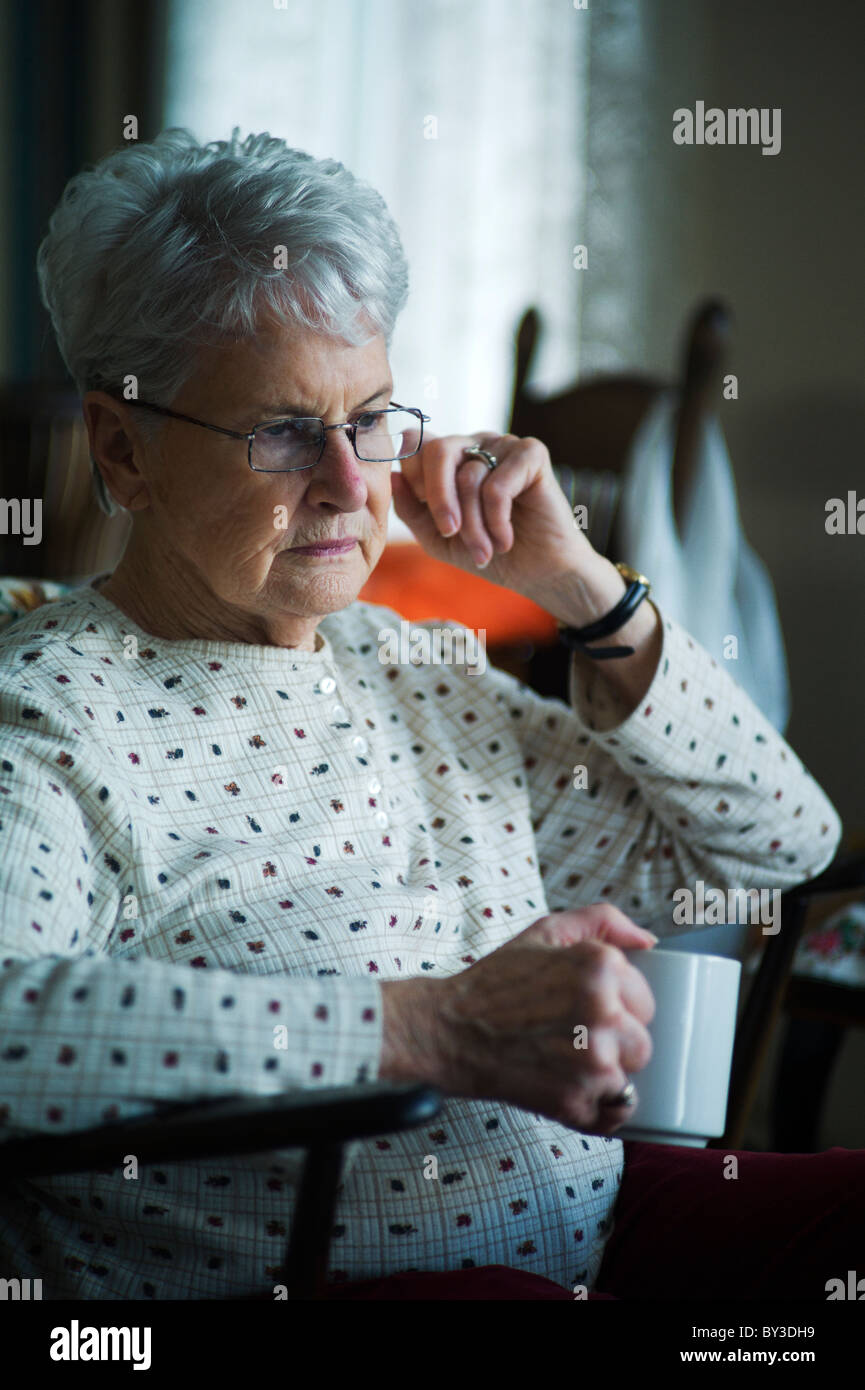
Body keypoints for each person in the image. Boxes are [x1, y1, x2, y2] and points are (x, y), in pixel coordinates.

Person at [0, 128, 850, 1301]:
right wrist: (430, 1028)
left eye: (371, 420)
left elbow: (776, 847)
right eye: (284, 431)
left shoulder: (411, 668)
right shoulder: (48, 712)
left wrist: (580, 588)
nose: (353, 486)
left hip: (601, 1238)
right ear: (122, 449)